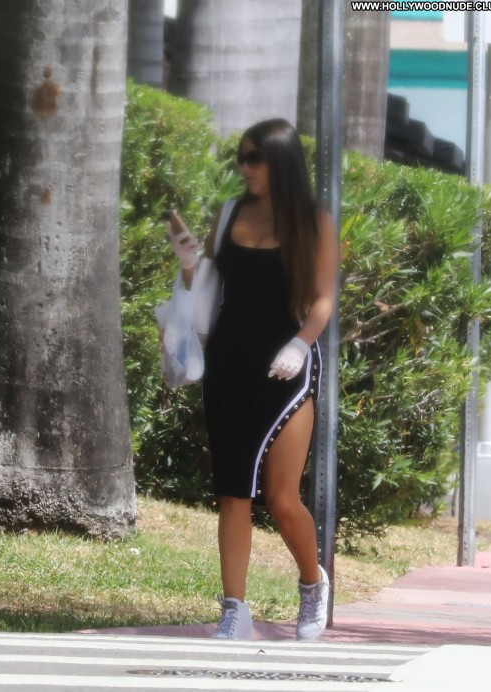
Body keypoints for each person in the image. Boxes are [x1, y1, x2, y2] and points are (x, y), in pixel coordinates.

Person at [167, 118, 337, 641]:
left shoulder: (314, 222)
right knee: (233, 492)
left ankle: (312, 584)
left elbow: (323, 299)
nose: (244, 167)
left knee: (282, 498)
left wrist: (300, 344)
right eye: (241, 157)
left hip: (288, 366)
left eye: (253, 158)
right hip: (229, 364)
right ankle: (234, 608)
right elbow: (209, 289)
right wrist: (189, 261)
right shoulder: (229, 213)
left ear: (280, 162)